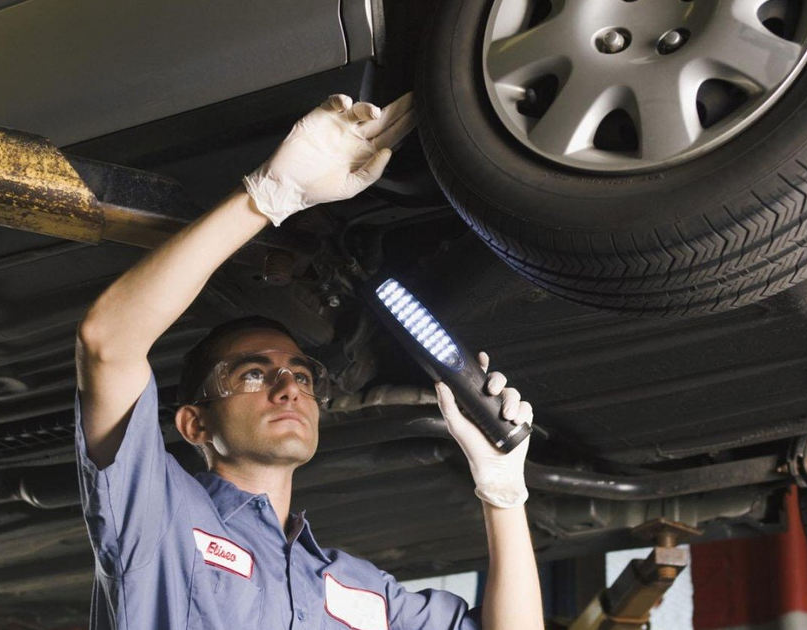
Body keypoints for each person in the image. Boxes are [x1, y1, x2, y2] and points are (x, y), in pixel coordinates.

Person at [74, 92, 543, 629]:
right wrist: (271, 196)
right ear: (194, 422)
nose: (288, 387)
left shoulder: (354, 591)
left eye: (301, 373)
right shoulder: (160, 516)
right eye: (253, 372)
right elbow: (107, 342)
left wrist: (504, 494)